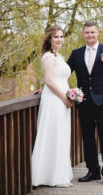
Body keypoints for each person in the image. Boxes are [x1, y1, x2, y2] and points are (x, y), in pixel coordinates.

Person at [67, 21, 103, 187]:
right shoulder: (76, 53)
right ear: (83, 34)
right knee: (88, 137)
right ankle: (93, 171)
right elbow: (64, 72)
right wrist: (47, 86)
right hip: (84, 102)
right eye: (87, 33)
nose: (89, 35)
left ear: (98, 33)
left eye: (92, 32)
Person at [31, 26, 74, 188]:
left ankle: (59, 174)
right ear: (49, 39)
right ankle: (51, 177)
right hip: (55, 100)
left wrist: (70, 95)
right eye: (56, 37)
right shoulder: (48, 57)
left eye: (62, 36)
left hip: (61, 99)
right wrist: (64, 98)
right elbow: (49, 80)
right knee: (54, 134)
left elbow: (57, 79)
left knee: (61, 135)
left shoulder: (59, 56)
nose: (60, 40)